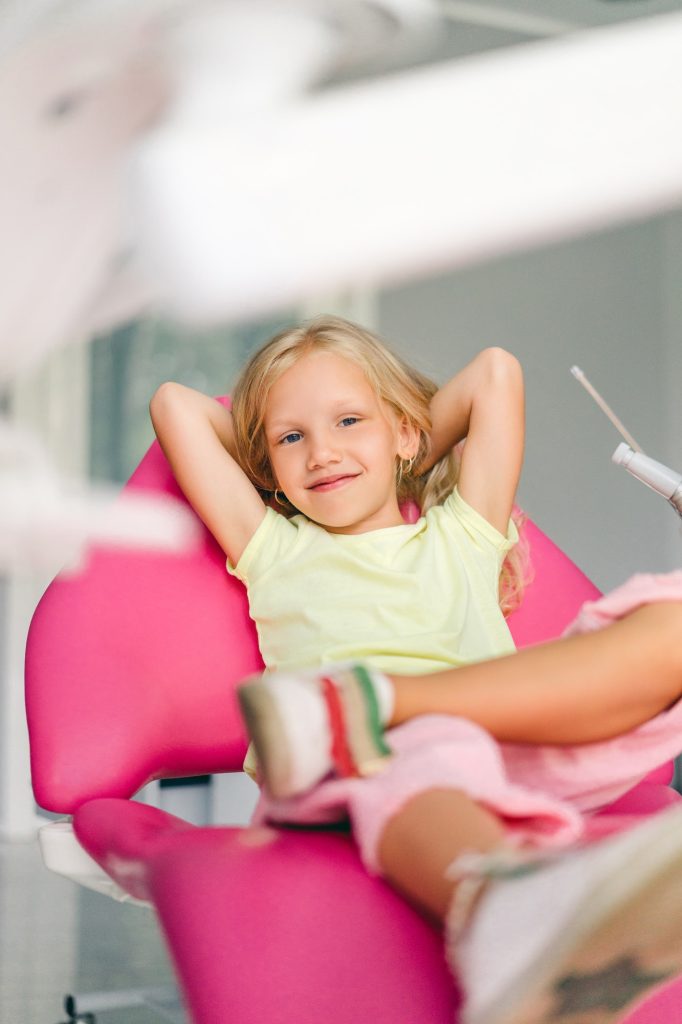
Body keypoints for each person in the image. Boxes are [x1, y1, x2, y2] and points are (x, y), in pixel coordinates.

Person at [150, 315, 682, 1024]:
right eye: (292, 438)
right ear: (267, 465)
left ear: (407, 434)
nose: (322, 453)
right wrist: (296, 454)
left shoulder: (462, 535)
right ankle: (508, 911)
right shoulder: (274, 548)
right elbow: (174, 405)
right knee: (436, 745)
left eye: (348, 421)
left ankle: (385, 708)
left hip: (510, 743)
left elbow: (495, 371)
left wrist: (390, 447)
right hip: (354, 759)